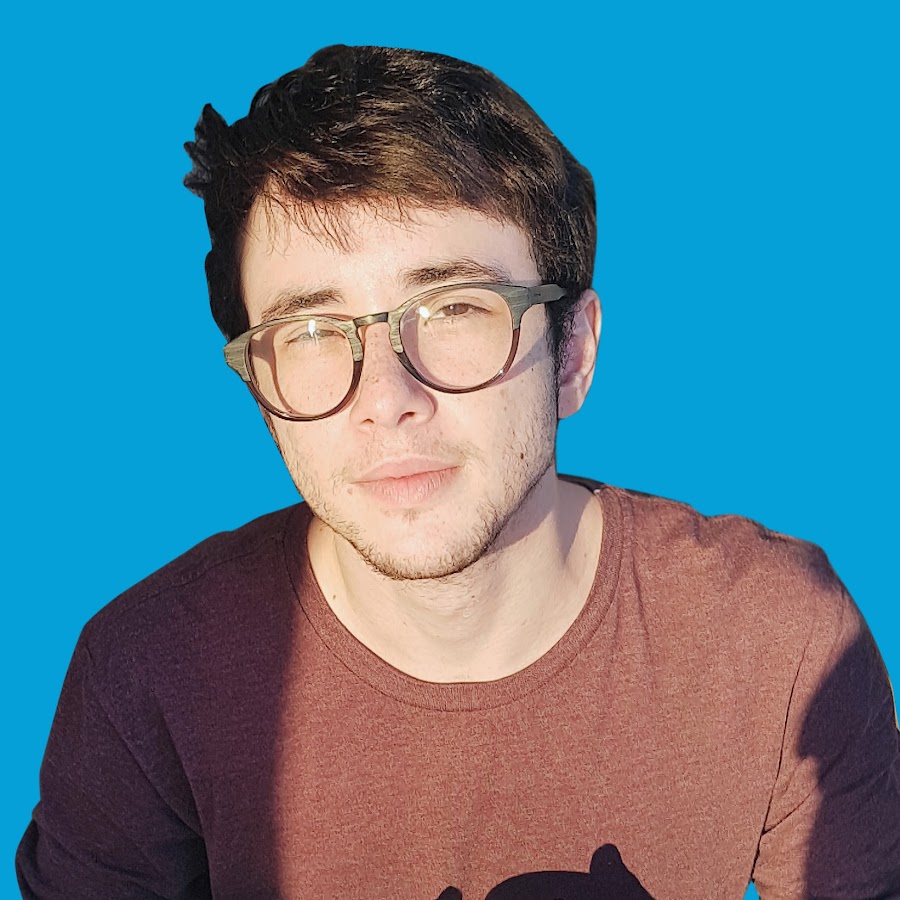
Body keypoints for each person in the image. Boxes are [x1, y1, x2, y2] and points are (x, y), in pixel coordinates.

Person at [16, 43, 900, 899]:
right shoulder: (146, 674)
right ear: (260, 391)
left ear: (573, 354)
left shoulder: (782, 643)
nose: (386, 398)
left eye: (453, 308)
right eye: (312, 332)